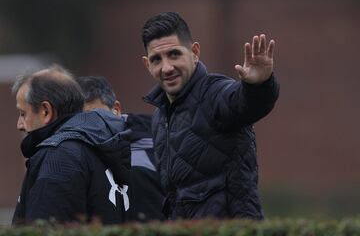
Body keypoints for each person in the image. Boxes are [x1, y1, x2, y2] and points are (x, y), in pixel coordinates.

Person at [141, 12, 280, 220]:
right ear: (147, 64)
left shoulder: (215, 93)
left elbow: (246, 104)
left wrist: (258, 85)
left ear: (195, 52)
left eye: (174, 54)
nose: (167, 67)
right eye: (156, 59)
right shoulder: (159, 118)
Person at [12, 65, 131, 224]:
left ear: (46, 111)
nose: (19, 124)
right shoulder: (99, 146)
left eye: (23, 113)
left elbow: (46, 229)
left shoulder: (58, 157)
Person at [76, 76, 165, 222]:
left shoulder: (137, 164)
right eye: (76, 119)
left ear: (116, 109)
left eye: (93, 116)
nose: (85, 127)